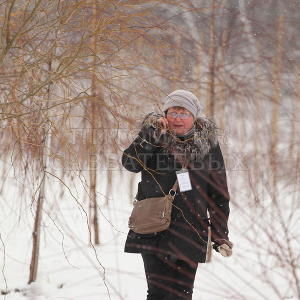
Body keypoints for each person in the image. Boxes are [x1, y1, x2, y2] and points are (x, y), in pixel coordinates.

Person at [122, 90, 233, 300]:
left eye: (183, 113)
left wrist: (220, 234)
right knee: (158, 294)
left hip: (191, 230)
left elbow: (218, 193)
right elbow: (130, 163)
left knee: (183, 294)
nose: (177, 119)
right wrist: (151, 134)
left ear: (194, 116)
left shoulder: (208, 145)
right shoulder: (154, 138)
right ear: (165, 114)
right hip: (154, 228)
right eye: (173, 112)